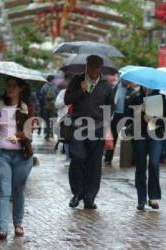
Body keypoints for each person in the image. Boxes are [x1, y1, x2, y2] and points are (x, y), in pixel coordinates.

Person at [65, 55, 114, 209]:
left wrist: (107, 130)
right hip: (78, 125)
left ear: (100, 68)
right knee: (78, 158)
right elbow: (67, 99)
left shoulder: (106, 85)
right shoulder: (77, 80)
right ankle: (77, 193)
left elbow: (110, 107)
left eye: (96, 67)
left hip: (97, 127)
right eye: (90, 66)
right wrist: (81, 90)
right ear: (86, 65)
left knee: (94, 164)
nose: (93, 69)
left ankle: (89, 198)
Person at [0, 77, 34, 240]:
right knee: (3, 190)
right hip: (0, 153)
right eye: (8, 85)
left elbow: (30, 130)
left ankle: (18, 223)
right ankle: (2, 229)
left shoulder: (27, 107)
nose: (10, 88)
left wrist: (18, 136)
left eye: (14, 86)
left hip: (22, 156)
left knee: (18, 191)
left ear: (21, 88)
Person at [128, 87, 166, 210]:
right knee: (140, 166)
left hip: (156, 136)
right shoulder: (136, 98)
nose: (147, 88)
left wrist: (153, 120)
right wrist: (138, 111)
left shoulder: (161, 99)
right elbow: (127, 118)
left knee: (154, 164)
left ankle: (153, 197)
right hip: (139, 135)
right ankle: (141, 199)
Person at [104, 78, 128, 166]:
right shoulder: (115, 88)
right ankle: (108, 158)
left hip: (127, 116)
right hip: (116, 115)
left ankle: (128, 159)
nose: (127, 81)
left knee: (127, 138)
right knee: (112, 137)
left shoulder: (131, 90)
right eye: (125, 79)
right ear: (121, 79)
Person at [40, 75, 59, 141]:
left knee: (46, 120)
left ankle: (47, 134)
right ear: (52, 79)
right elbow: (57, 95)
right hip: (53, 107)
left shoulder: (44, 86)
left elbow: (41, 96)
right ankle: (51, 132)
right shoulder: (55, 87)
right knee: (52, 120)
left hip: (46, 106)